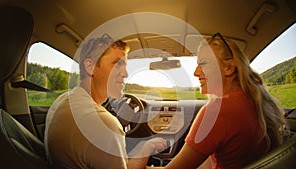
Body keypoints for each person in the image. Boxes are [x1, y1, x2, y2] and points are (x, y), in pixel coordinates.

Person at [158, 33, 288, 169]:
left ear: (229, 68)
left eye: (203, 63)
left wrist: (140, 158)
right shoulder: (254, 100)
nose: (196, 73)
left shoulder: (217, 112)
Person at [44, 34, 167, 169]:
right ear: (90, 67)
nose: (126, 74)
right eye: (117, 64)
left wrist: (146, 147)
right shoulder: (103, 123)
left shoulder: (63, 100)